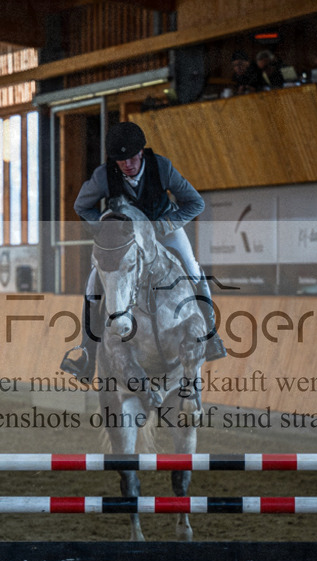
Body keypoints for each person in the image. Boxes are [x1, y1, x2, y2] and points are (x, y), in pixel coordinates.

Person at [60, 121, 227, 381]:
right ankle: (87, 353)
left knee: (193, 269)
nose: (127, 164)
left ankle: (212, 336)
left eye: (131, 157)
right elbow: (82, 205)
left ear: (141, 152)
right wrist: (105, 226)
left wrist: (167, 223)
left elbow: (196, 203)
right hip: (125, 237)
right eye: (121, 160)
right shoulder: (104, 175)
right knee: (93, 283)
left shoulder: (162, 167)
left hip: (164, 229)